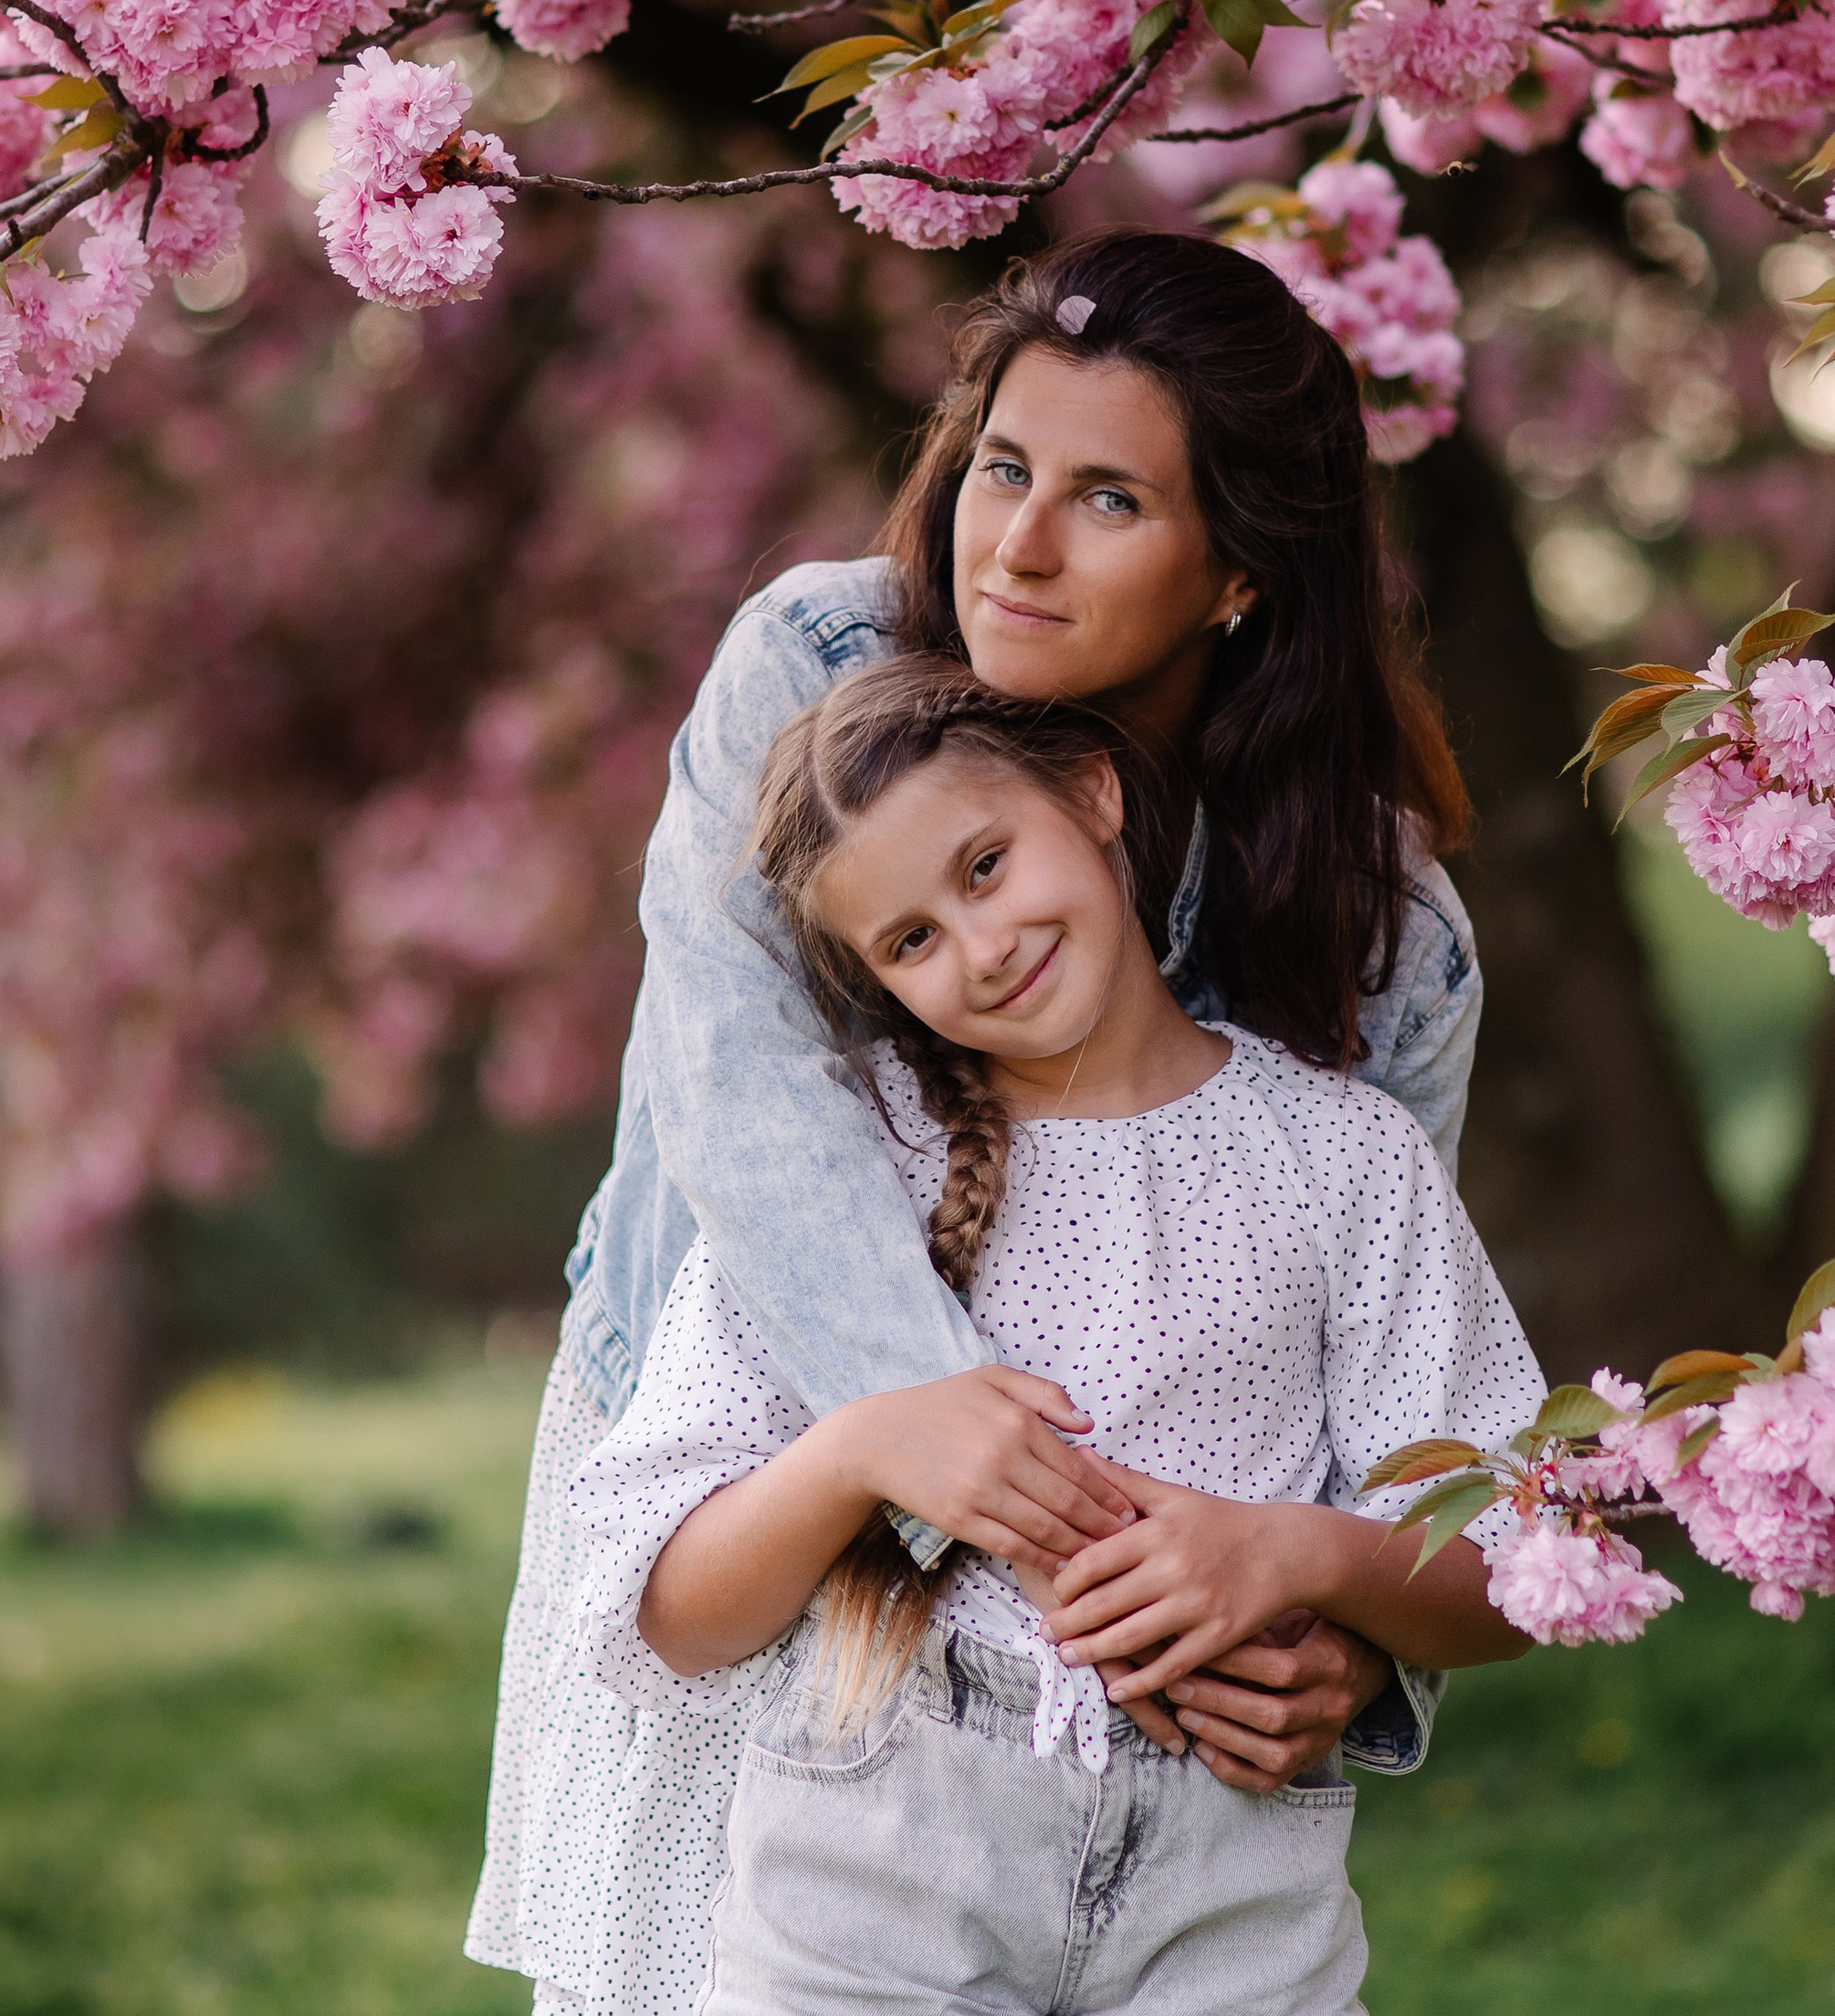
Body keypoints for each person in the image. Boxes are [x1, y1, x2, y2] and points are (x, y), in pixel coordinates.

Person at [467, 229, 1485, 2014]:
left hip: (1135, 1700)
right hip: (770, 1449)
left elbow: (1391, 1391)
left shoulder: (1377, 923)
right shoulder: (820, 671)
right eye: (1001, 467)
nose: (1013, 543)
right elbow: (749, 1098)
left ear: (1237, 565)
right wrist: (933, 1451)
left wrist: (1335, 1646)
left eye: (1105, 498)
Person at [571, 656, 1542, 2014]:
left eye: (984, 864)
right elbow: (668, 1616)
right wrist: (858, 1447)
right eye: (908, 940)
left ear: (1092, 795)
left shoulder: (1342, 1157)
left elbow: (1523, 1567)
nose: (979, 946)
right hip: (881, 1870)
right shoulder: (851, 1186)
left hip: (1234, 1889)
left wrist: (1297, 1552)